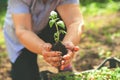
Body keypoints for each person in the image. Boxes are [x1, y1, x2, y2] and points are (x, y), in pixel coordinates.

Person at [3, 0, 84, 80]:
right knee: (25, 75)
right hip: (21, 38)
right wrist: (42, 48)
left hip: (45, 25)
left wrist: (68, 43)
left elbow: (75, 22)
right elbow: (23, 29)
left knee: (58, 22)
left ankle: (64, 64)